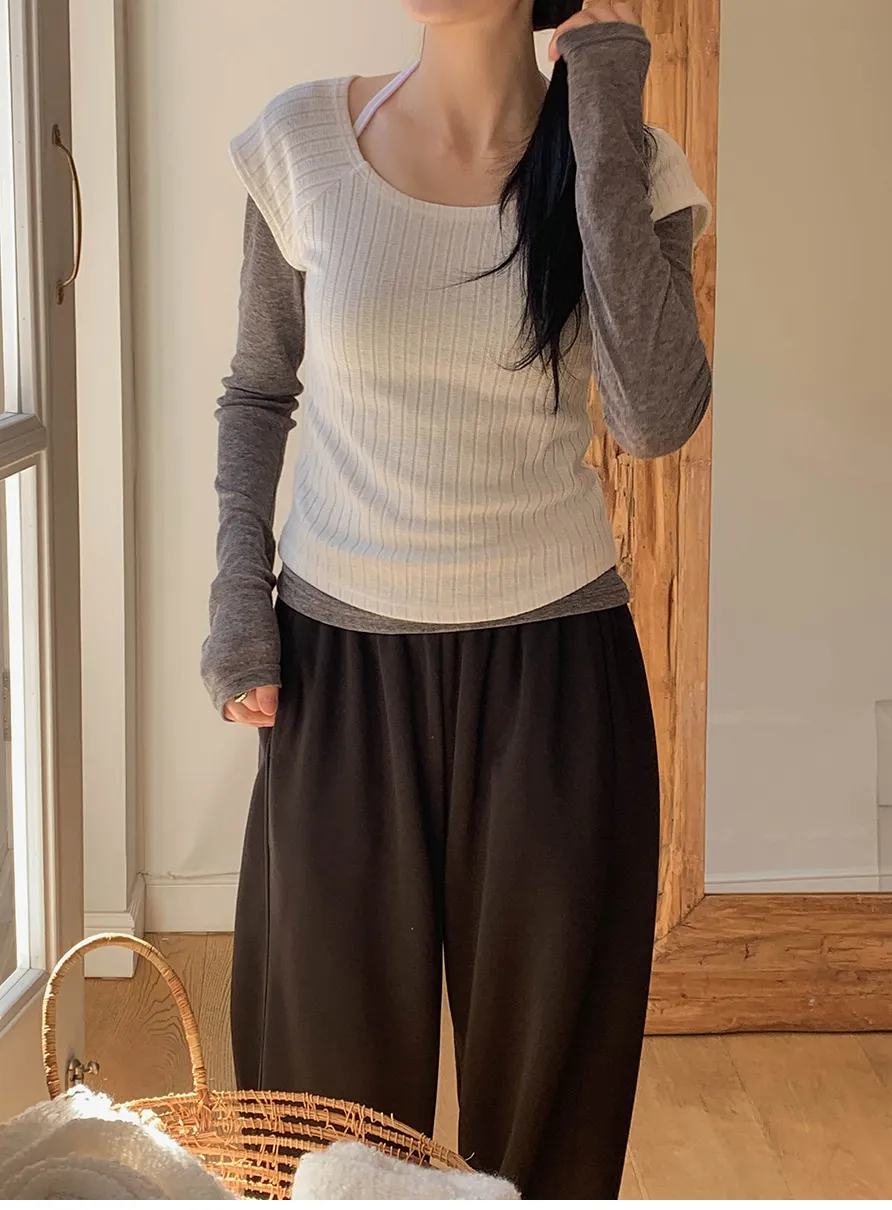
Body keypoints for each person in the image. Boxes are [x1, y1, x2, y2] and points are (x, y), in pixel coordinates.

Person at [202, 0, 712, 1198]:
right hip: (335, 676)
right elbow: (258, 389)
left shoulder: (628, 158)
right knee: (321, 1119)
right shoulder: (302, 142)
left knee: (549, 1122)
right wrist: (238, 599)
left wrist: (601, 104)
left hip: (555, 680)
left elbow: (653, 416)